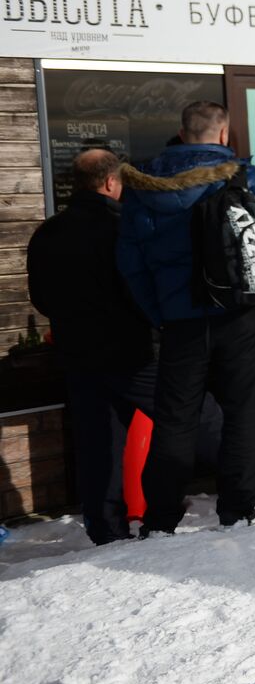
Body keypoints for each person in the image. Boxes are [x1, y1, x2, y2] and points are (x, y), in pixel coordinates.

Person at [117, 101, 255, 533]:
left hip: (179, 322)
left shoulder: (144, 185)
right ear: (223, 134)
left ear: (182, 134)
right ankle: (238, 507)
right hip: (240, 312)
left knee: (175, 418)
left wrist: (160, 313)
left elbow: (131, 264)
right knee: (244, 410)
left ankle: (161, 518)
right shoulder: (243, 175)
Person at [26, 148, 154, 545]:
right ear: (112, 182)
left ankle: (105, 528)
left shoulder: (48, 232)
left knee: (98, 441)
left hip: (77, 350)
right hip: (130, 349)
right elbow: (141, 290)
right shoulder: (123, 226)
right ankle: (181, 503)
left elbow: (40, 297)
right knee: (185, 414)